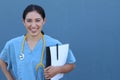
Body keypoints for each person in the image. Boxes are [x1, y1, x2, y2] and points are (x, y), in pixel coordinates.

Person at [0, 4, 76, 80]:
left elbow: (71, 65)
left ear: (44, 21)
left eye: (38, 20)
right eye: (29, 21)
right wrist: (10, 78)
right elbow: (2, 60)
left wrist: (58, 69)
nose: (33, 25)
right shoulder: (12, 44)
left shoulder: (54, 44)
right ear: (24, 22)